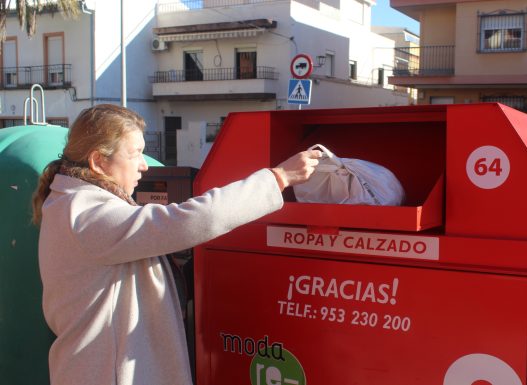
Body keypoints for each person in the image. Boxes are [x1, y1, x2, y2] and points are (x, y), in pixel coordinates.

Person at [31, 104, 321, 385]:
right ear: (98, 161)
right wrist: (278, 178)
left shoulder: (72, 203)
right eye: (135, 154)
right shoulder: (85, 215)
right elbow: (187, 222)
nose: (144, 166)